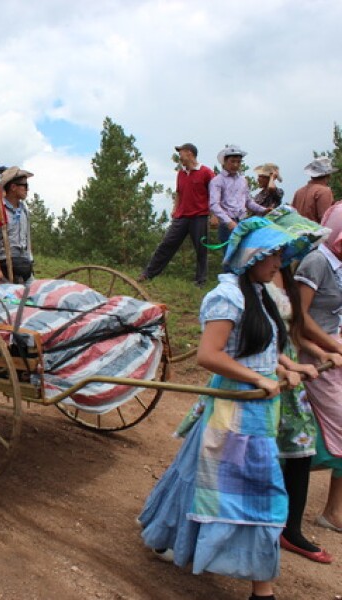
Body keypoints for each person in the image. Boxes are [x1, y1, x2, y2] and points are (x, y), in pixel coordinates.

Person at [139, 217, 318, 600]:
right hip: (235, 409)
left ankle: (165, 537)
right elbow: (209, 355)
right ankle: (262, 590)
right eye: (272, 255)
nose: (279, 263)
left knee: (198, 477)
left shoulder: (260, 293)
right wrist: (259, 379)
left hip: (255, 410)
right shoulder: (227, 296)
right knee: (260, 490)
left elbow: (260, 347)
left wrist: (290, 366)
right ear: (252, 256)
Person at [263, 206, 334, 563]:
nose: (288, 252)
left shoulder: (285, 275)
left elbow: (293, 330)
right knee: (240, 449)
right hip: (263, 371)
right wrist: (279, 365)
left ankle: (290, 529)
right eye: (285, 244)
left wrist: (319, 351)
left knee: (301, 450)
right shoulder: (253, 276)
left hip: (290, 375)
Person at [295, 202, 342, 536]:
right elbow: (301, 319)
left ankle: (333, 510)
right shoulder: (316, 262)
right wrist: (334, 347)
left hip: (333, 349)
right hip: (314, 353)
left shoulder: (338, 264)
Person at [138, 143, 215, 286]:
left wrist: (214, 215)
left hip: (200, 215)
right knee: (167, 244)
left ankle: (200, 281)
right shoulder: (181, 173)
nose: (179, 156)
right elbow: (178, 192)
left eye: (181, 153)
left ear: (190, 153)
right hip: (182, 216)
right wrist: (175, 208)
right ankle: (148, 274)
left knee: (201, 249)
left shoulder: (206, 172)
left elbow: (215, 195)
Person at [209, 145, 268, 244]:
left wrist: (264, 210)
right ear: (225, 161)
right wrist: (229, 222)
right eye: (232, 161)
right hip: (227, 225)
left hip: (242, 221)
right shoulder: (217, 181)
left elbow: (248, 202)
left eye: (238, 162)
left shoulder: (242, 180)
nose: (236, 165)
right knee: (230, 255)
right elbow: (214, 204)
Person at [0, 166, 34, 283]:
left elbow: (27, 241)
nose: (27, 189)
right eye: (25, 186)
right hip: (5, 264)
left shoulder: (24, 211)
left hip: (24, 264)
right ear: (13, 187)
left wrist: (30, 263)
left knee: (34, 297)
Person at [292, 157, 337, 223]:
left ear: (312, 175)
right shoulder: (324, 191)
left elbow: (293, 213)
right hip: (316, 231)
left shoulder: (299, 192)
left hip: (297, 231)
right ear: (329, 175)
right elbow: (325, 219)